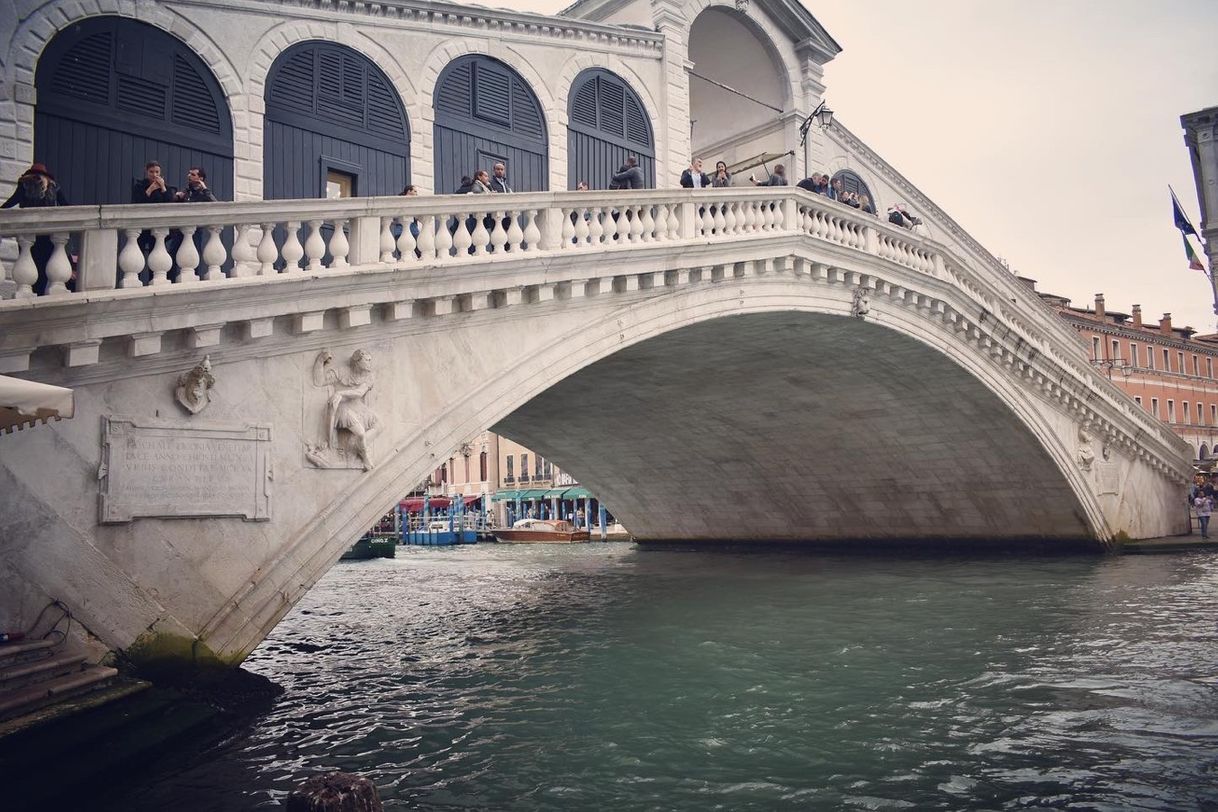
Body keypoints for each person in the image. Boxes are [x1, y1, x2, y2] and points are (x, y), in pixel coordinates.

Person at [2, 163, 71, 295]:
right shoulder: (25, 186)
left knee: (43, 265)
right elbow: (12, 201)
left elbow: (65, 205)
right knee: (32, 264)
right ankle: (36, 292)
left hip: (44, 235)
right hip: (33, 233)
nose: (37, 179)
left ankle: (39, 293)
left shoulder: (52, 188)